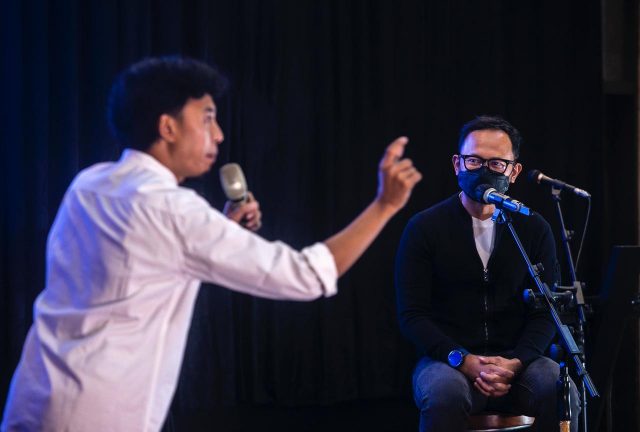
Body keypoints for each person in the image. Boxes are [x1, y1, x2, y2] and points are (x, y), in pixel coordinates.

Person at [1, 56, 422, 432]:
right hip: (97, 412)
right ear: (167, 127)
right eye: (206, 119)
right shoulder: (173, 210)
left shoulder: (89, 183)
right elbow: (305, 275)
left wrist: (219, 228)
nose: (218, 135)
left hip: (36, 394)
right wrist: (384, 205)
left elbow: (138, 263)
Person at [395, 115, 580, 431]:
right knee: (443, 394)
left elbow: (547, 311)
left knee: (560, 388)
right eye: (474, 161)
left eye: (496, 163)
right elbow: (412, 315)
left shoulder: (532, 228)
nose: (483, 170)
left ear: (514, 171)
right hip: (449, 361)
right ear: (457, 164)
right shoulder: (424, 228)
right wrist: (462, 359)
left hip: (518, 363)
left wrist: (517, 361)